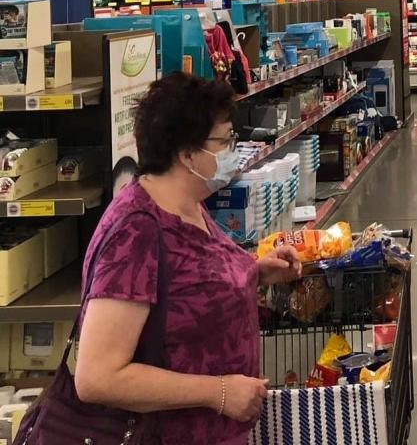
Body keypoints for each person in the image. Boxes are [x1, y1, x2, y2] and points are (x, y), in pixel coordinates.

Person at [73, 73, 303, 445]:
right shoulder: (135, 233)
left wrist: (255, 273)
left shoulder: (187, 203)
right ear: (187, 154)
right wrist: (218, 392)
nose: (234, 149)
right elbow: (97, 376)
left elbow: (187, 284)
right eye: (225, 140)